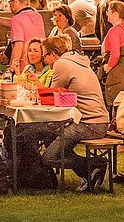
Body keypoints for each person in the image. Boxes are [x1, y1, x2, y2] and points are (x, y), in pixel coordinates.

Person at [30, 35, 110, 192]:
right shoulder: (77, 62)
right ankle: (90, 172)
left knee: (48, 158)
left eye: (45, 55)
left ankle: (96, 164)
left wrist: (35, 88)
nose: (45, 60)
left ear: (53, 54)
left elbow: (52, 97)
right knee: (49, 136)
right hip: (97, 120)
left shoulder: (62, 64)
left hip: (89, 123)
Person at [101, 0, 124, 105]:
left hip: (117, 73)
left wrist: (108, 68)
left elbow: (115, 54)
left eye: (108, 11)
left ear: (115, 14)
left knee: (116, 104)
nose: (106, 13)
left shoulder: (114, 31)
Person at [6, 0, 45, 74]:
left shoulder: (16, 19)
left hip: (23, 68)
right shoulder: (38, 16)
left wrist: (10, 70)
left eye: (10, 2)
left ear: (15, 1)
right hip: (38, 65)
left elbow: (18, 46)